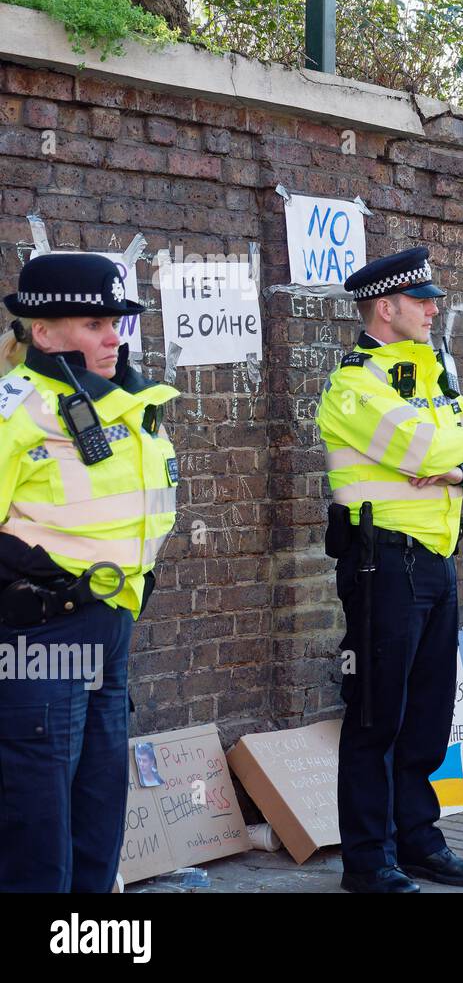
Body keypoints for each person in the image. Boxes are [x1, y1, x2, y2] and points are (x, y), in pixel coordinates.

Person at [317, 247, 463, 893]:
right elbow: (422, 446)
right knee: (377, 716)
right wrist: (462, 452)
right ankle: (368, 860)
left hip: (437, 559)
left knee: (426, 715)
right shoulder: (355, 384)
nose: (433, 308)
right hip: (382, 565)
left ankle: (419, 839)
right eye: (421, 299)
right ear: (385, 306)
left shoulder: (434, 377)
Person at [0, 253, 179, 892]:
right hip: (45, 634)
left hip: (112, 626)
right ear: (42, 332)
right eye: (95, 323)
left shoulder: (121, 401)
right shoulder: (16, 410)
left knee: (99, 812)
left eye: (118, 322)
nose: (114, 337)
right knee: (38, 825)